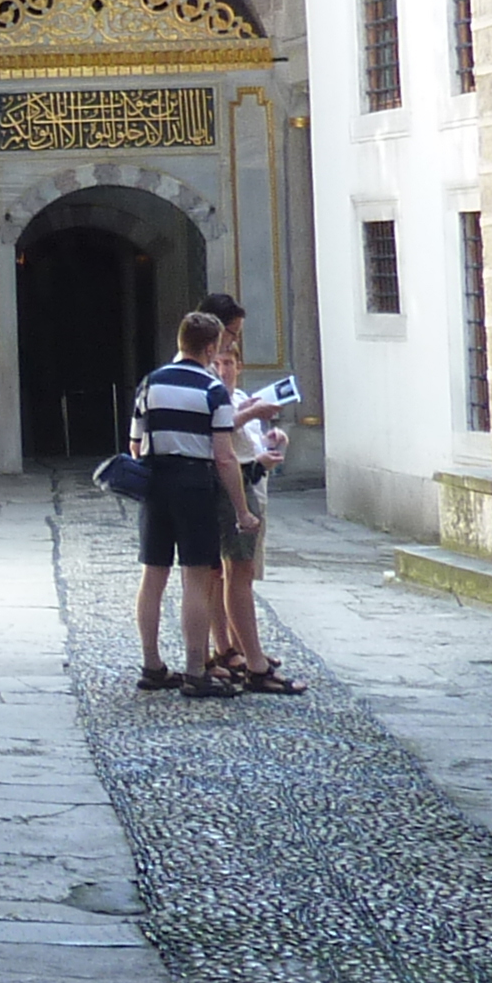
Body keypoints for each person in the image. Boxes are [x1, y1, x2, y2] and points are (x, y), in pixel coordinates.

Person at [129, 307, 258, 698]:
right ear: (209, 347)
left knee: (153, 575)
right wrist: (242, 510)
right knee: (196, 577)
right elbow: (224, 455)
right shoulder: (212, 389)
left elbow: (135, 445)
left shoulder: (151, 383)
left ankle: (152, 665)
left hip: (156, 481)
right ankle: (195, 671)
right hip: (194, 484)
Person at [198, 291, 304, 695]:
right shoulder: (205, 378)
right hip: (230, 485)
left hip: (235, 480)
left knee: (224, 574)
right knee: (232, 575)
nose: (230, 345)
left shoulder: (199, 376)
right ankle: (247, 661)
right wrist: (242, 508)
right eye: (231, 334)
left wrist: (265, 433)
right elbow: (219, 435)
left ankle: (228, 652)